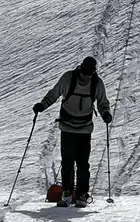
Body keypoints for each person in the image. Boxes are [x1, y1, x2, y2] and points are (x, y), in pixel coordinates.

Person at [34, 55, 114, 206]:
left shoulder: (97, 83)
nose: (86, 77)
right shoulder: (68, 78)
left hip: (84, 129)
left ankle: (80, 195)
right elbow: (54, 93)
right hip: (68, 127)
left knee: (82, 163)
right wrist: (42, 105)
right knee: (68, 162)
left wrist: (105, 113)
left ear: (93, 73)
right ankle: (68, 193)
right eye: (84, 73)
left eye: (89, 74)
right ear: (80, 69)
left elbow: (103, 102)